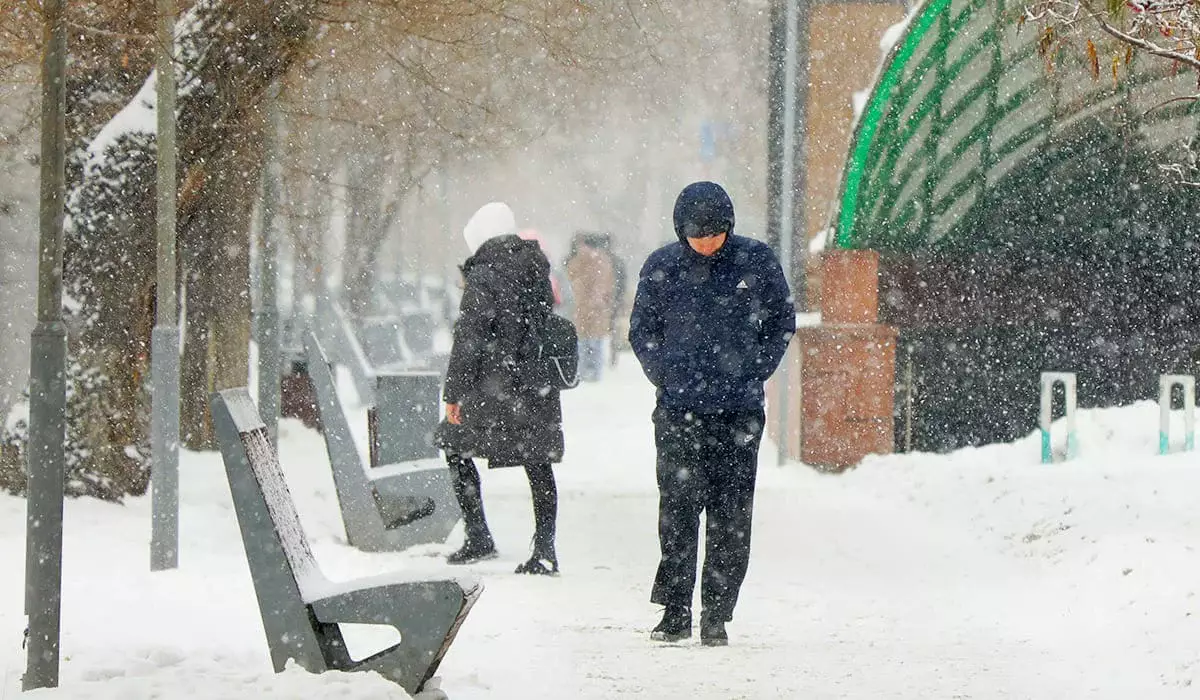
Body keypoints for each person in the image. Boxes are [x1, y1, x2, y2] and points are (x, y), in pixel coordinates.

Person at [628, 181, 795, 646]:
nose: (706, 244)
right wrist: (664, 374)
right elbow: (642, 330)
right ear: (680, 231)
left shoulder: (755, 262)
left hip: (739, 413)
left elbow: (782, 320)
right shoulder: (661, 267)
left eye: (714, 235)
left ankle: (717, 613)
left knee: (731, 514)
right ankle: (675, 611)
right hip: (678, 411)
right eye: (696, 236)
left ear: (729, 227)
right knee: (678, 510)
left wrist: (756, 368)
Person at [435, 202, 563, 575]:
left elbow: (469, 339)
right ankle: (545, 548)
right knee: (538, 461)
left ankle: (478, 536)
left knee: (455, 446)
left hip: (493, 386)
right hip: (535, 382)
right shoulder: (536, 266)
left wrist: (453, 394)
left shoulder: (483, 275)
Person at [565, 233, 616, 382]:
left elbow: (572, 280)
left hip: (583, 308)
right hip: (596, 309)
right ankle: (594, 372)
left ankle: (582, 372)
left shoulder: (578, 261)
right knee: (595, 342)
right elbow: (608, 286)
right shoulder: (603, 262)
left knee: (583, 342)